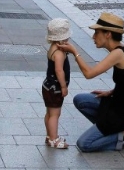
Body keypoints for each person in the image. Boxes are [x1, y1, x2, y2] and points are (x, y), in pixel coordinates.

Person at [57, 13, 124, 153]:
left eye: (97, 32)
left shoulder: (118, 54)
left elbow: (89, 74)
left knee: (84, 144)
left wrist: (74, 52)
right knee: (80, 100)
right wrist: (110, 92)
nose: (93, 36)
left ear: (108, 34)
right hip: (121, 104)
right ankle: (118, 130)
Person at [43, 18, 71, 149]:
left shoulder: (52, 48)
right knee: (55, 114)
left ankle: (49, 136)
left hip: (47, 86)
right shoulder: (59, 53)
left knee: (49, 112)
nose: (67, 41)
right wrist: (64, 86)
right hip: (55, 88)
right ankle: (54, 139)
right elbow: (59, 70)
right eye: (66, 39)